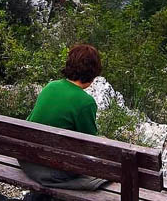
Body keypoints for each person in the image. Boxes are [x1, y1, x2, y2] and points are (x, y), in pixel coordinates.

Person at [20, 44, 108, 197]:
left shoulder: (51, 86)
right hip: (51, 170)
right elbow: (90, 145)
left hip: (27, 160)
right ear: (93, 73)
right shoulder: (85, 102)